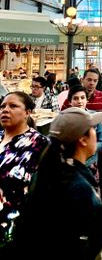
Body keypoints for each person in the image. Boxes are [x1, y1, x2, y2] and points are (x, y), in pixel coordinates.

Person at [16, 107, 102, 260]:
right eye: (92, 129)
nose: (96, 132)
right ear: (83, 139)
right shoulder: (79, 186)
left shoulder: (47, 172)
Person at [0, 92, 48, 251]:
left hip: (18, 230)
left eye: (13, 106)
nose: (5, 110)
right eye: (2, 106)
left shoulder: (39, 144)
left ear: (28, 112)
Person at [62, 69, 102, 205]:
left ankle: (101, 201)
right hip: (75, 154)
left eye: (95, 80)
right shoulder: (71, 99)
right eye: (89, 80)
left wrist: (94, 131)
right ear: (83, 79)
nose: (92, 83)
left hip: (94, 146)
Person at [67, 84, 102, 186]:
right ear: (70, 101)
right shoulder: (65, 120)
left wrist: (89, 147)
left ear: (86, 100)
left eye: (82, 98)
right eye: (75, 98)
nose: (79, 101)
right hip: (70, 166)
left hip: (90, 165)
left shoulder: (95, 118)